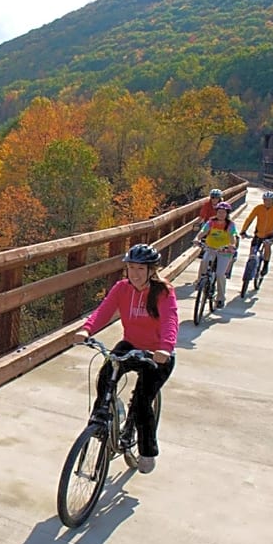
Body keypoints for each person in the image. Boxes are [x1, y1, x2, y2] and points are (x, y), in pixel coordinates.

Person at [72, 243, 177, 474]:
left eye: (140, 269)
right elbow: (104, 311)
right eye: (131, 268)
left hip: (156, 354)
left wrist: (165, 348)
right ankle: (99, 421)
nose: (135, 274)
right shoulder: (122, 289)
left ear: (151, 270)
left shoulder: (163, 292)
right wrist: (86, 330)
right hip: (131, 344)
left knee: (141, 402)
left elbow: (170, 320)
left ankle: (147, 451)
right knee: (105, 375)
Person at [193, 201, 239, 308]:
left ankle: (220, 298)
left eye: (223, 212)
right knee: (204, 261)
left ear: (227, 214)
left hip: (224, 252)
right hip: (211, 248)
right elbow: (203, 231)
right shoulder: (211, 222)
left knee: (219, 274)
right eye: (219, 212)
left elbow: (232, 237)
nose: (221, 214)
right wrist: (197, 239)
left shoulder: (230, 225)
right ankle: (201, 281)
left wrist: (231, 245)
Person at [240, 190, 273, 276]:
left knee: (267, 245)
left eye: (269, 200)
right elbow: (249, 219)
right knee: (252, 252)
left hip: (270, 234)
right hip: (259, 233)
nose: (267, 202)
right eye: (265, 200)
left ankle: (265, 265)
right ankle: (250, 269)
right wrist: (243, 230)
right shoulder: (258, 208)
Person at [193, 188, 223, 283]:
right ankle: (199, 279)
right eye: (213, 197)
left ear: (220, 198)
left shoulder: (223, 207)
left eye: (216, 198)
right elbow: (202, 216)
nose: (214, 200)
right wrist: (196, 224)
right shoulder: (207, 205)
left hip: (219, 232)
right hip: (208, 229)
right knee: (204, 258)